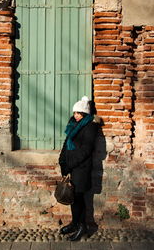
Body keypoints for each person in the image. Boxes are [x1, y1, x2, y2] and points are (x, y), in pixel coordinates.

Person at [58, 96, 99, 241]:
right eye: (75, 112)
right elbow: (66, 144)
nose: (75, 115)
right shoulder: (73, 125)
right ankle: (75, 223)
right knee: (73, 198)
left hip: (81, 169)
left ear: (85, 114)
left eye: (79, 113)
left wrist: (71, 164)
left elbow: (85, 151)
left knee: (79, 199)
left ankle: (82, 227)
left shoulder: (90, 127)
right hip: (72, 168)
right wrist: (62, 161)